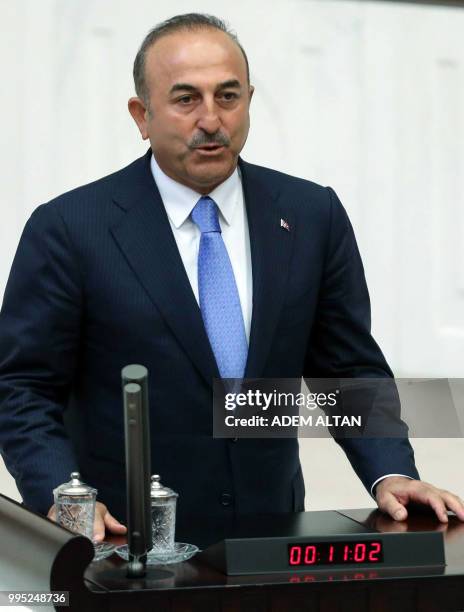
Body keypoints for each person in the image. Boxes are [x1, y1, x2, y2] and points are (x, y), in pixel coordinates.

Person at [0, 13, 463, 542]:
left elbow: (348, 369)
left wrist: (392, 472)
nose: (211, 119)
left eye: (227, 96)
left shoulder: (311, 215)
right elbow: (22, 387)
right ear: (141, 114)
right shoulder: (72, 228)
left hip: (273, 540)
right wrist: (63, 495)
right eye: (185, 99)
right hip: (123, 542)